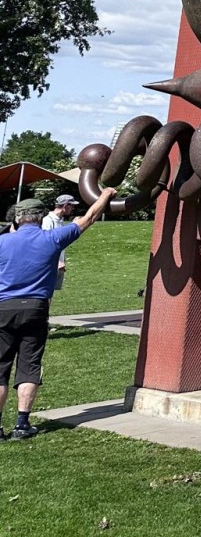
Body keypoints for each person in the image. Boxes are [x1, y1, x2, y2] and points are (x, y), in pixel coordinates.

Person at [0, 185, 115, 440]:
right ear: (40, 217)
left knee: (0, 368)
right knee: (29, 366)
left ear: (17, 219)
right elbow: (89, 218)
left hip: (3, 308)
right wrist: (106, 194)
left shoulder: (2, 241)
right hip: (36, 308)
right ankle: (21, 425)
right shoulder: (52, 238)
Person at [40, 194, 80, 292]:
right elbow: (45, 244)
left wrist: (73, 225)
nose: (73, 208)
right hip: (50, 264)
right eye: (72, 206)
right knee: (45, 292)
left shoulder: (60, 221)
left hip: (58, 263)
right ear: (66, 206)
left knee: (51, 292)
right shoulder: (47, 221)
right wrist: (57, 261)